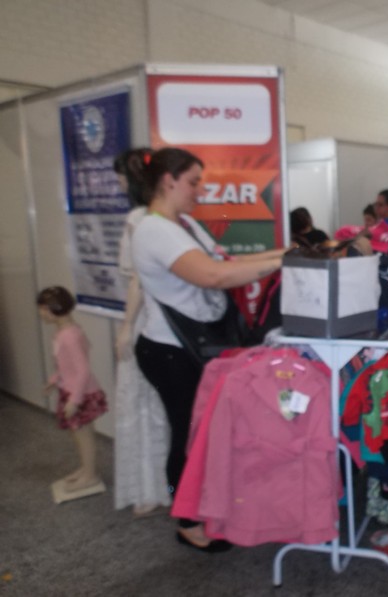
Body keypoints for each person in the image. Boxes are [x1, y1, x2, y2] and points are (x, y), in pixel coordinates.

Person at [131, 147, 286, 552]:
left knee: (202, 432)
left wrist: (288, 254)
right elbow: (214, 276)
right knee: (187, 433)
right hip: (170, 351)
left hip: (193, 347)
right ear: (169, 180)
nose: (200, 191)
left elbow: (228, 261)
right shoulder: (153, 230)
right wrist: (281, 262)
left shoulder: (183, 225)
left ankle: (202, 506)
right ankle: (186, 520)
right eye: (194, 182)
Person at [112, 148, 172, 517]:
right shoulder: (160, 217)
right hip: (162, 319)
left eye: (120, 177)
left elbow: (138, 279)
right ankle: (162, 484)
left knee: (144, 402)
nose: (118, 184)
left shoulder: (139, 219)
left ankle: (152, 487)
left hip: (146, 321)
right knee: (157, 403)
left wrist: (125, 328)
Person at [39, 286, 108, 493]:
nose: (41, 313)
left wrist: (74, 400)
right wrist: (55, 379)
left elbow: (83, 370)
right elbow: (66, 365)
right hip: (71, 391)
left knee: (83, 436)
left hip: (80, 394)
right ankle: (86, 469)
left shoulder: (69, 335)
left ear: (54, 309)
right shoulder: (64, 332)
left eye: (43, 309)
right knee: (77, 434)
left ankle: (90, 475)